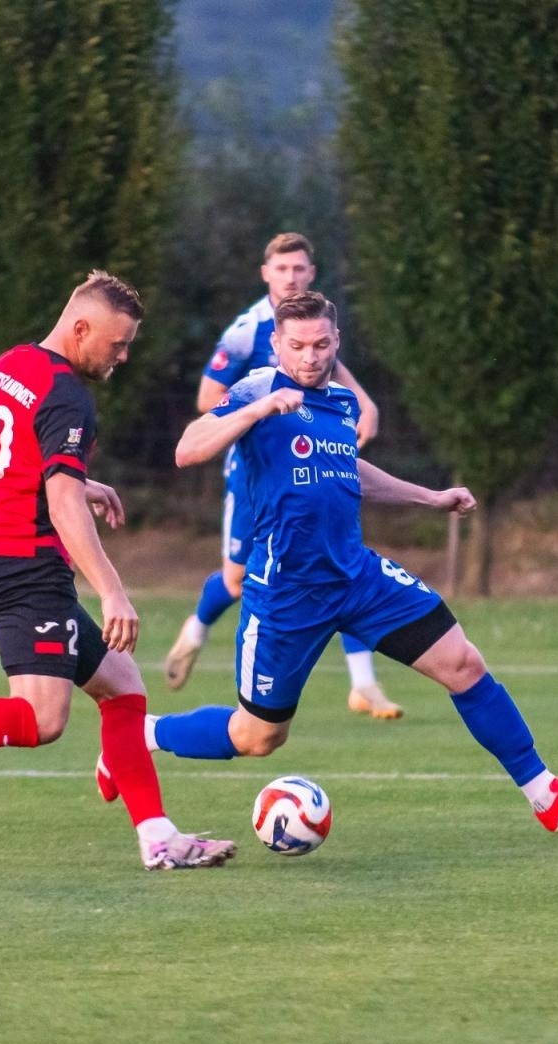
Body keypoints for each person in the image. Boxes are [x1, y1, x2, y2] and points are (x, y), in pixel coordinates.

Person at [143, 291, 558, 834]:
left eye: (322, 344)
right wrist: (257, 408)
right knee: (259, 737)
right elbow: (187, 449)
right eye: (296, 345)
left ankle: (546, 795)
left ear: (336, 341)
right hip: (286, 595)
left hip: (356, 576)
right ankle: (146, 734)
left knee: (463, 663)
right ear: (276, 344)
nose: (310, 356)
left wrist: (430, 497)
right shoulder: (259, 388)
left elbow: (350, 471)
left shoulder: (343, 402)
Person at [0, 270, 236, 871]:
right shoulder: (68, 395)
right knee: (42, 718)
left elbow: (14, 455)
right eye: (118, 343)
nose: (123, 356)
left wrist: (82, 480)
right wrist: (112, 590)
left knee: (123, 687)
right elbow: (58, 504)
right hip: (26, 567)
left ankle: (159, 839)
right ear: (81, 328)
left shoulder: (12, 364)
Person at [162, 233, 406, 719]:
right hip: (256, 475)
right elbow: (207, 402)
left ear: (311, 274)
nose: (291, 277)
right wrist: (262, 411)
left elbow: (329, 370)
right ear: (265, 273)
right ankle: (195, 628)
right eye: (282, 269)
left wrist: (366, 403)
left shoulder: (315, 329)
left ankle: (364, 684)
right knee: (235, 581)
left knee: (342, 559)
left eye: (299, 269)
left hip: (311, 468)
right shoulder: (245, 332)